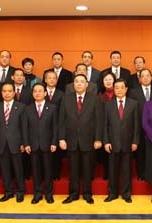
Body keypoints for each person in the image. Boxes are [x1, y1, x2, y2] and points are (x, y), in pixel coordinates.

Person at [59, 74, 103, 204]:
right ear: (73, 85)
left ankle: (87, 194)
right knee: (73, 169)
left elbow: (99, 121)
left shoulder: (95, 99)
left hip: (89, 140)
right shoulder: (66, 99)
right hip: (71, 140)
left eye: (82, 82)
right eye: (76, 82)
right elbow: (61, 120)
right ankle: (73, 194)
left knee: (87, 169)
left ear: (86, 84)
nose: (79, 84)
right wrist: (61, 138)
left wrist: (98, 139)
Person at [103, 79, 139, 203]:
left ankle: (126, 193)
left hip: (128, 143)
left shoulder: (133, 104)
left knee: (126, 170)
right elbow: (105, 125)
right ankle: (112, 193)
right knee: (112, 170)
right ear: (113, 89)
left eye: (121, 87)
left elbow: (136, 125)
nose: (119, 90)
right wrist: (106, 141)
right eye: (116, 87)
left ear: (126, 89)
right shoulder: (108, 104)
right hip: (112, 144)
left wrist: (135, 141)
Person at [0, 83, 27, 203]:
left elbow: (24, 127)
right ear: (1, 93)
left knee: (18, 169)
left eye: (9, 91)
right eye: (4, 91)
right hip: (1, 143)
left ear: (14, 93)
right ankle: (8, 192)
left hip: (16, 143)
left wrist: (23, 142)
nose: (7, 93)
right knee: (5, 170)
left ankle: (20, 191)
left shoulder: (21, 107)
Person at [25, 83, 58, 204]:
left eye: (40, 91)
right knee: (36, 171)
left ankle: (49, 194)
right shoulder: (27, 108)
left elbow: (55, 127)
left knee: (48, 171)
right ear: (32, 94)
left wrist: (54, 142)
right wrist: (26, 143)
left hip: (48, 145)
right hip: (33, 145)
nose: (38, 93)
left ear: (45, 93)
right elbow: (25, 128)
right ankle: (37, 194)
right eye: (35, 91)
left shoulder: (52, 107)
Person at [127, 69, 152, 181]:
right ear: (139, 79)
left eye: (148, 76)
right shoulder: (133, 92)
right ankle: (141, 174)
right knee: (141, 152)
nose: (146, 78)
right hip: (139, 126)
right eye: (143, 76)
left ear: (151, 78)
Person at [44, 70, 65, 181]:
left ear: (56, 80)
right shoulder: (40, 92)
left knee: (56, 153)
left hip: (57, 125)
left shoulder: (62, 94)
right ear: (45, 80)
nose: (52, 80)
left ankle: (56, 173)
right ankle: (45, 174)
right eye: (49, 78)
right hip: (43, 127)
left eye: (54, 78)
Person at [96, 72, 117, 179]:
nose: (108, 81)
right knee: (105, 152)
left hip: (116, 128)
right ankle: (107, 172)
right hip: (103, 127)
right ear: (103, 82)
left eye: (110, 79)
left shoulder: (119, 94)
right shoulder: (99, 96)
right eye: (106, 80)